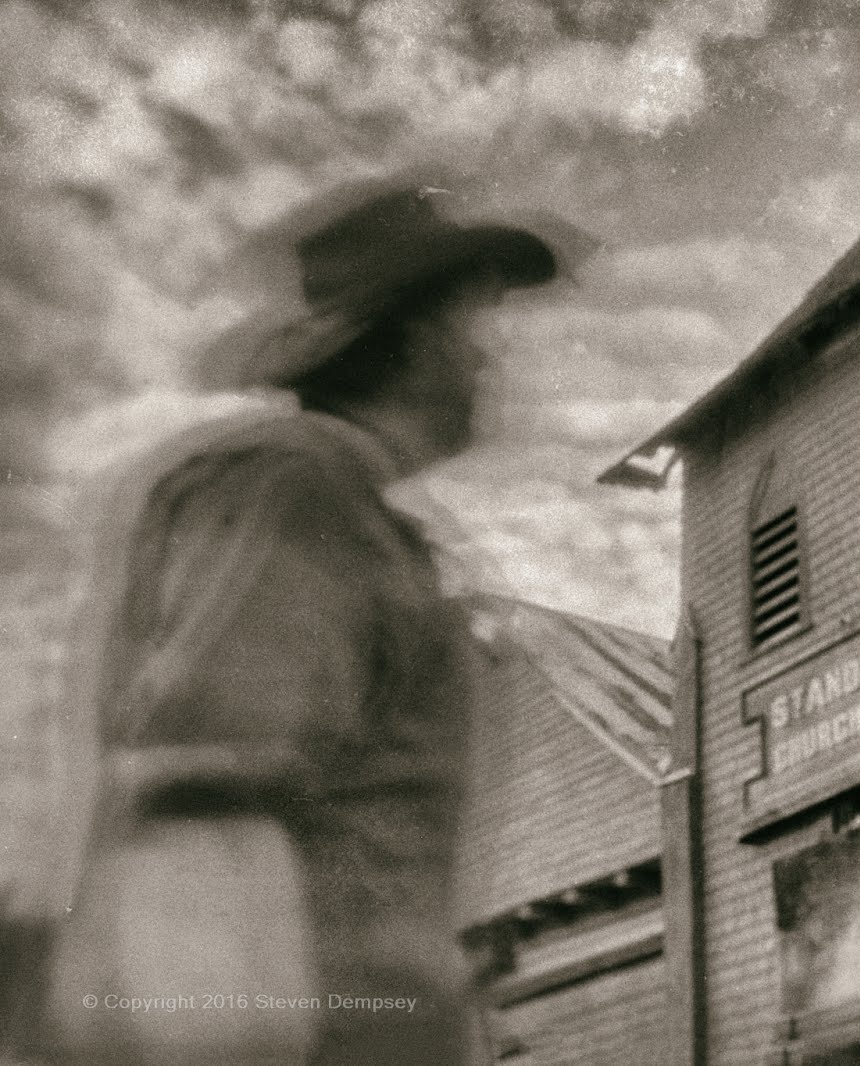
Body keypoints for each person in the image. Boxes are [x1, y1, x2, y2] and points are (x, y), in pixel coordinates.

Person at [36, 182, 561, 1065]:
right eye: (477, 325)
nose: (489, 360)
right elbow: (199, 812)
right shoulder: (297, 488)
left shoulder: (343, 504)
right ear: (414, 334)